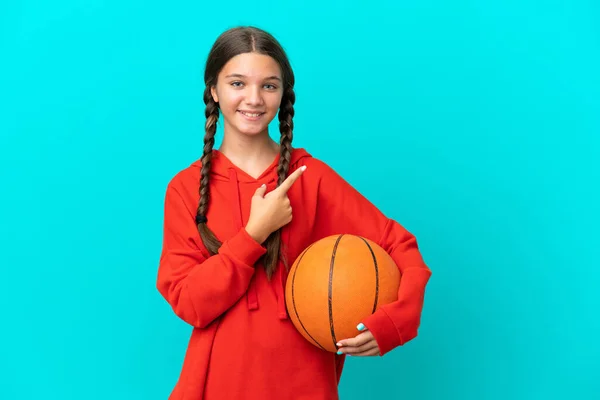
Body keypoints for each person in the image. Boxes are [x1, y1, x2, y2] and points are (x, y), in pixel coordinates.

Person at [157, 25, 432, 400]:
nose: (253, 98)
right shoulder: (186, 189)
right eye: (237, 83)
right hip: (217, 383)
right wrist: (253, 235)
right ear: (213, 91)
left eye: (268, 85)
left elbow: (399, 245)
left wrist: (393, 323)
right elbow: (189, 303)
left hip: (305, 383)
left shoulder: (311, 178)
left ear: (283, 93)